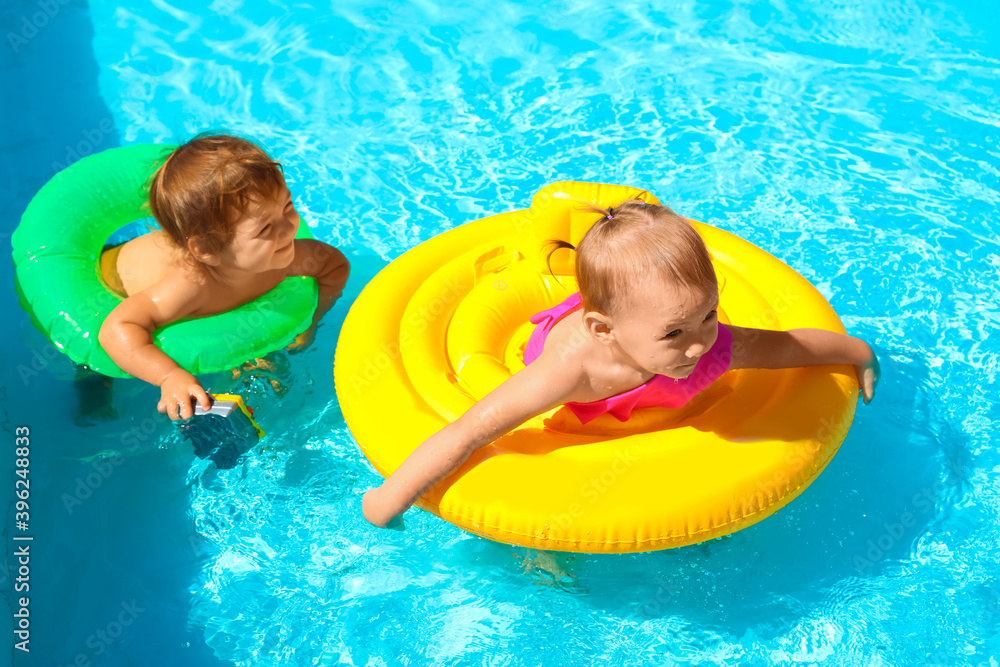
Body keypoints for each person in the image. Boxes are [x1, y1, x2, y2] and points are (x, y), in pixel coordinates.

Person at [362, 199, 879, 527]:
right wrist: (389, 500)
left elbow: (789, 346)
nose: (699, 345)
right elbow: (469, 432)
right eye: (675, 333)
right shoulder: (568, 371)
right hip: (580, 378)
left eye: (708, 314)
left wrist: (858, 353)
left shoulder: (710, 342)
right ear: (604, 329)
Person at [97, 134, 350, 421]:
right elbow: (117, 327)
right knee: (92, 366)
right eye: (266, 228)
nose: (289, 228)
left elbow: (334, 266)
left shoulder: (287, 256)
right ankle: (92, 390)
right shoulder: (189, 287)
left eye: (288, 207)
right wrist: (169, 376)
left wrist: (313, 320)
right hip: (109, 278)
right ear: (207, 250)